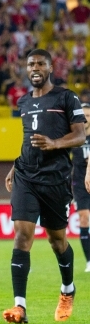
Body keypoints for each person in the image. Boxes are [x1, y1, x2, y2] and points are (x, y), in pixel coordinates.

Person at [3, 49, 86, 324]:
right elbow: (28, 139)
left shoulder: (66, 97)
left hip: (55, 179)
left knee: (56, 240)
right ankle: (20, 307)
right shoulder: (23, 102)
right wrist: (16, 166)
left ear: (50, 67)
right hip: (27, 175)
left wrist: (54, 144)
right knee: (22, 235)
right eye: (30, 64)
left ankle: (67, 289)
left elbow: (80, 135)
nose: (35, 67)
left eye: (40, 63)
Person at [73, 103, 90, 272]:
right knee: (84, 219)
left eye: (89, 115)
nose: (86, 119)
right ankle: (89, 261)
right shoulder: (75, 138)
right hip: (80, 186)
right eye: (83, 115)